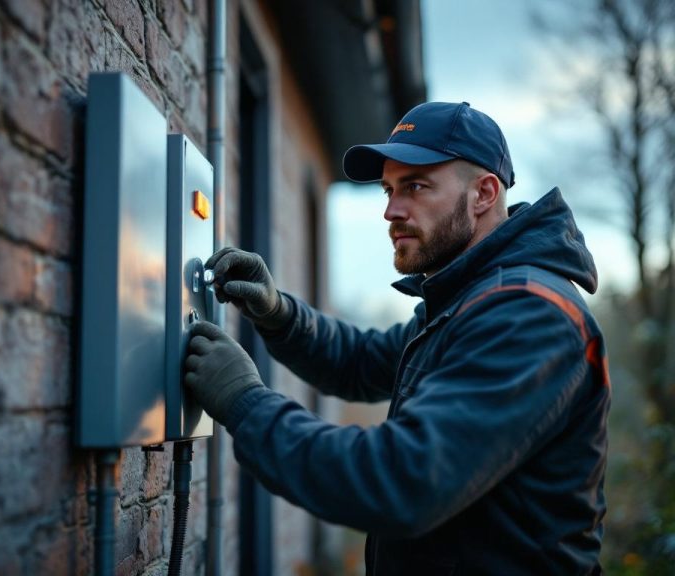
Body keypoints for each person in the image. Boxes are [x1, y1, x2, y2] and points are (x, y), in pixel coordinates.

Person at [184, 101, 610, 575]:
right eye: (389, 189)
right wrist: (277, 312)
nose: (390, 210)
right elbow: (362, 361)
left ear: (484, 193)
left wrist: (245, 402)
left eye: (416, 186)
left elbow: (401, 481)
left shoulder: (527, 316)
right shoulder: (469, 301)